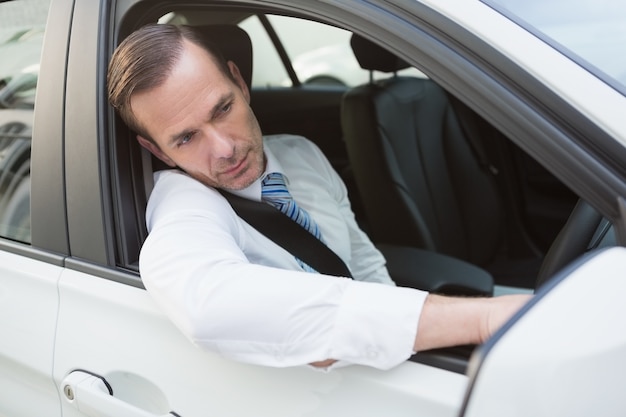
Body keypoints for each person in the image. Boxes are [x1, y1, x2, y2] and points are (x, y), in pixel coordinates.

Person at [107, 23, 531, 370]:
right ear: (158, 151)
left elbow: (364, 265)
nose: (223, 149)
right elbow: (209, 305)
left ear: (240, 83)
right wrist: (484, 317)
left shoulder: (301, 154)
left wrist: (413, 354)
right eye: (185, 138)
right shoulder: (184, 208)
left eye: (222, 109)